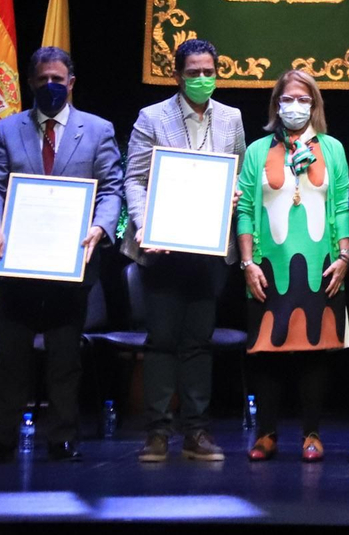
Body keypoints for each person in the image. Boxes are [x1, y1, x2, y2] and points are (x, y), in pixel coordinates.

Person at [0, 47, 122, 462]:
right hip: (17, 259)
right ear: (30, 83)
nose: (51, 86)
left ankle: (62, 438)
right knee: (11, 356)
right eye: (43, 80)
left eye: (58, 79)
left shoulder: (98, 130)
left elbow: (111, 189)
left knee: (64, 355)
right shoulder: (8, 129)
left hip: (71, 261)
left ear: (71, 83)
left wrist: (100, 227)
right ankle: (1, 439)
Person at [123, 38, 247, 462]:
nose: (201, 79)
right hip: (162, 248)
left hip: (209, 251)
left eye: (208, 72)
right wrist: (144, 225)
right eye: (193, 72)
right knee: (161, 340)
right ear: (177, 75)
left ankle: (196, 432)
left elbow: (239, 173)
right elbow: (134, 179)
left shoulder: (231, 118)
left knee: (198, 341)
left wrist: (234, 192)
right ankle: (157, 433)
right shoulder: (151, 117)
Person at [236, 69, 349, 463]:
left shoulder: (332, 148)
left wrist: (344, 258)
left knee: (313, 349)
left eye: (304, 99)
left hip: (322, 264)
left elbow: (341, 206)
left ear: (314, 105)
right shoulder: (257, 150)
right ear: (276, 105)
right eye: (288, 99)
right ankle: (266, 434)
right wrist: (247, 263)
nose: (295, 106)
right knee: (267, 349)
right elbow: (245, 210)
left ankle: (312, 434)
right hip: (268, 265)